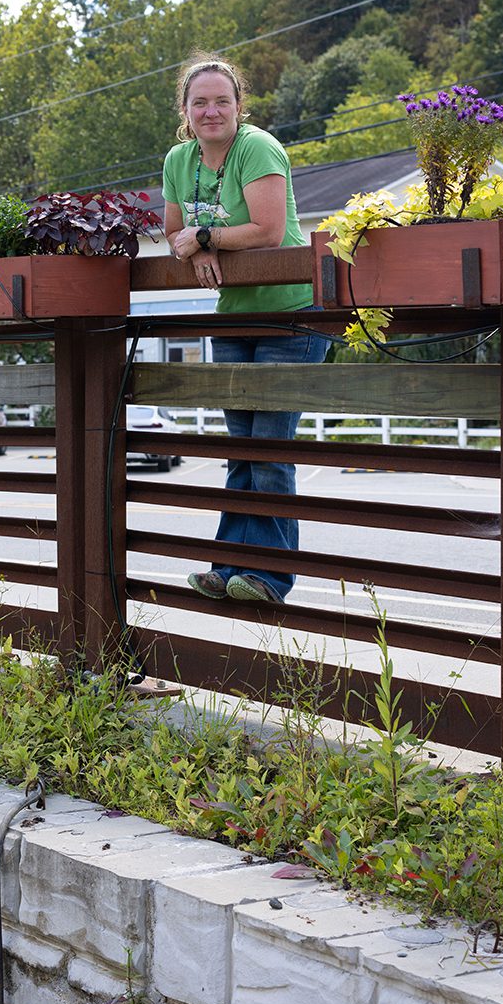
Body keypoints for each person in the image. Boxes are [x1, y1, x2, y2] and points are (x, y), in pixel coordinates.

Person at [159, 53, 324, 603]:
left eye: (221, 101)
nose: (212, 111)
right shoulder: (179, 161)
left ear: (238, 106)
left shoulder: (257, 148)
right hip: (234, 314)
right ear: (184, 110)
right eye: (200, 102)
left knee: (269, 448)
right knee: (241, 449)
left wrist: (208, 240)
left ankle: (271, 577)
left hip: (291, 315)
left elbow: (270, 231)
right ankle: (229, 566)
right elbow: (175, 232)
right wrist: (199, 247)